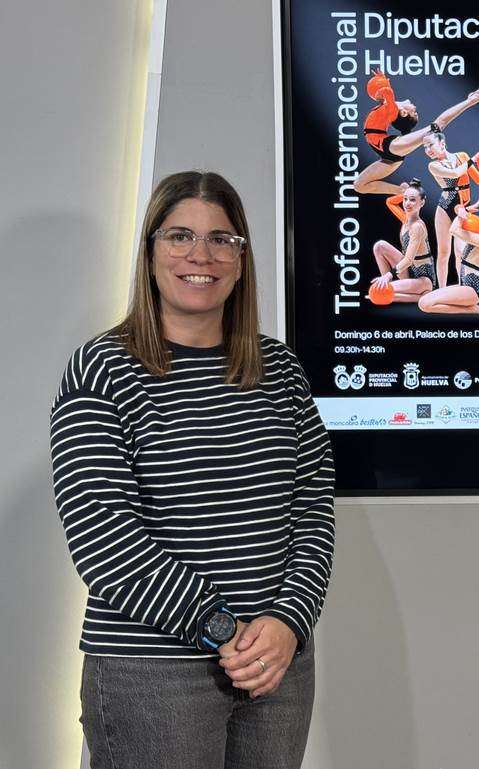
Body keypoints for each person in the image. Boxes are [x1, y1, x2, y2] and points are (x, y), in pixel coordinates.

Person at [49, 171, 335, 769]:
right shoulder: (102, 369)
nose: (200, 256)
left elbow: (312, 511)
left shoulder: (281, 371)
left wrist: (288, 621)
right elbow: (102, 535)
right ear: (150, 251)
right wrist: (221, 628)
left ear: (240, 258)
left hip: (277, 666)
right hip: (152, 675)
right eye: (179, 236)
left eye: (221, 239)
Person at [354, 70, 479, 196]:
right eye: (415, 111)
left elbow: (387, 94)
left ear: (403, 113)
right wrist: (383, 80)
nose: (414, 105)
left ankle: (472, 100)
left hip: (390, 147)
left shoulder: (392, 108)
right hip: (387, 158)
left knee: (437, 126)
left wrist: (384, 86)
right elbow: (384, 94)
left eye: (413, 111)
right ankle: (403, 190)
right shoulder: (389, 107)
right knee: (359, 185)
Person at [423, 131, 479, 287]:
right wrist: (473, 160)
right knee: (444, 252)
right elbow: (455, 173)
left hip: (463, 207)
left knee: (461, 253)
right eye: (425, 147)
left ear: (442, 143)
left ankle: (462, 288)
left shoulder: (462, 156)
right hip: (445, 208)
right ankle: (441, 290)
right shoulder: (433, 165)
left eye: (430, 145)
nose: (428, 150)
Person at [418, 200, 479, 316]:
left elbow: (454, 230)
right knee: (423, 302)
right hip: (464, 284)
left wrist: (464, 212)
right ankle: (469, 306)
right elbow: (458, 220)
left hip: (474, 288)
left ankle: (475, 309)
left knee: (425, 304)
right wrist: (464, 211)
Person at [370, 179, 437, 301]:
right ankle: (386, 286)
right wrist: (406, 192)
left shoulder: (417, 226)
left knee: (379, 291)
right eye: (405, 199)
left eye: (412, 200)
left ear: (422, 202)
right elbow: (390, 202)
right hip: (407, 271)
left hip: (423, 279)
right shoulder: (405, 219)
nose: (407, 203)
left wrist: (388, 275)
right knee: (379, 246)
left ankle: (422, 293)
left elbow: (408, 259)